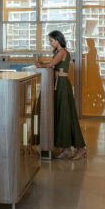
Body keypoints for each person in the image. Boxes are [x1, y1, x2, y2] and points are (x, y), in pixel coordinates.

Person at [41, 30, 86, 160]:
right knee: (63, 115)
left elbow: (50, 65)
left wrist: (40, 64)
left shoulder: (61, 52)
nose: (50, 43)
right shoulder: (60, 52)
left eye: (51, 40)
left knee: (66, 115)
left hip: (61, 85)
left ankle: (80, 148)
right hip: (60, 85)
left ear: (57, 40)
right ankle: (66, 148)